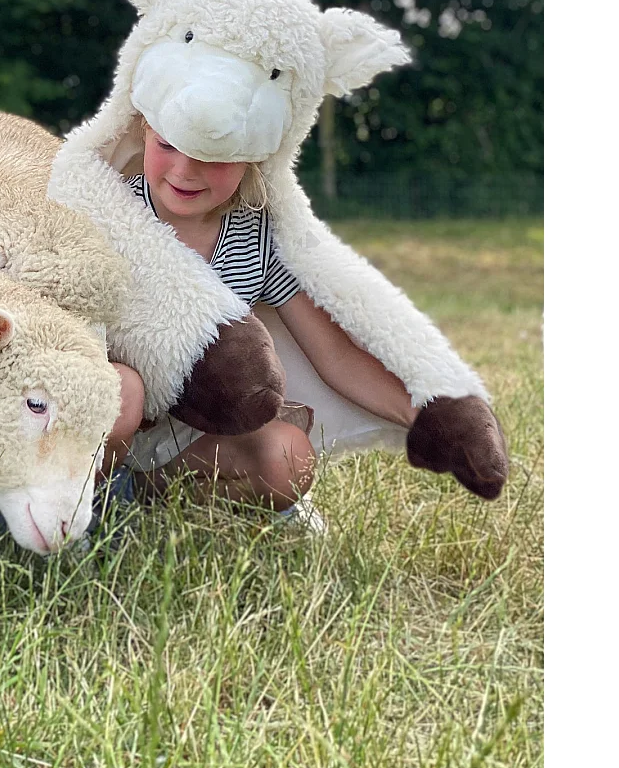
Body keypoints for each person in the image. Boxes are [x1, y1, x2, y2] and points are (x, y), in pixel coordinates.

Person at [99, 120, 421, 530]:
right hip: (104, 416)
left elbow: (334, 355)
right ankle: (82, 503)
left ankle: (140, 498)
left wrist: (423, 414)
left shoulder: (255, 234)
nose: (184, 170)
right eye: (168, 145)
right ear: (144, 129)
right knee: (123, 390)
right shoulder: (108, 211)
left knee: (287, 456)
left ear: (253, 152)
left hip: (192, 428)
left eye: (214, 155)